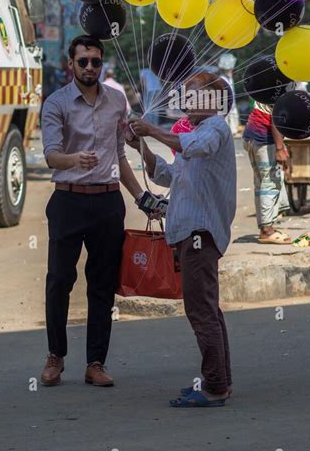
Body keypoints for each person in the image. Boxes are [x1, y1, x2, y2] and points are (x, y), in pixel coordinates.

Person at [40, 35, 161, 388]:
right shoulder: (56, 103)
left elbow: (121, 155)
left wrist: (142, 197)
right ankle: (55, 356)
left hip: (108, 204)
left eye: (96, 61)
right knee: (59, 281)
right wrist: (74, 159)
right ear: (71, 65)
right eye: (83, 62)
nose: (90, 67)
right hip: (68, 201)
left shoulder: (117, 101)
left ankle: (96, 362)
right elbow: (50, 155)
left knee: (102, 284)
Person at [127, 72, 236, 408]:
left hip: (200, 234)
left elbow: (195, 148)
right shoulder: (198, 131)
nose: (185, 101)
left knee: (201, 311)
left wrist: (152, 131)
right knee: (207, 310)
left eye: (192, 95)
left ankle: (215, 386)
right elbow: (170, 174)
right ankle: (219, 381)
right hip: (191, 233)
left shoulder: (214, 128)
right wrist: (142, 147)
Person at [242, 101, 291, 244]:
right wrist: (280, 148)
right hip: (264, 138)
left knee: (262, 182)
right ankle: (267, 230)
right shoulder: (282, 85)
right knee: (270, 183)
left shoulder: (271, 82)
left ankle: (267, 226)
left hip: (252, 134)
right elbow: (276, 117)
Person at [218, 53, 240, 135]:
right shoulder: (222, 78)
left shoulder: (229, 77)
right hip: (225, 105)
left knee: (232, 120)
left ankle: (232, 130)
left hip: (231, 104)